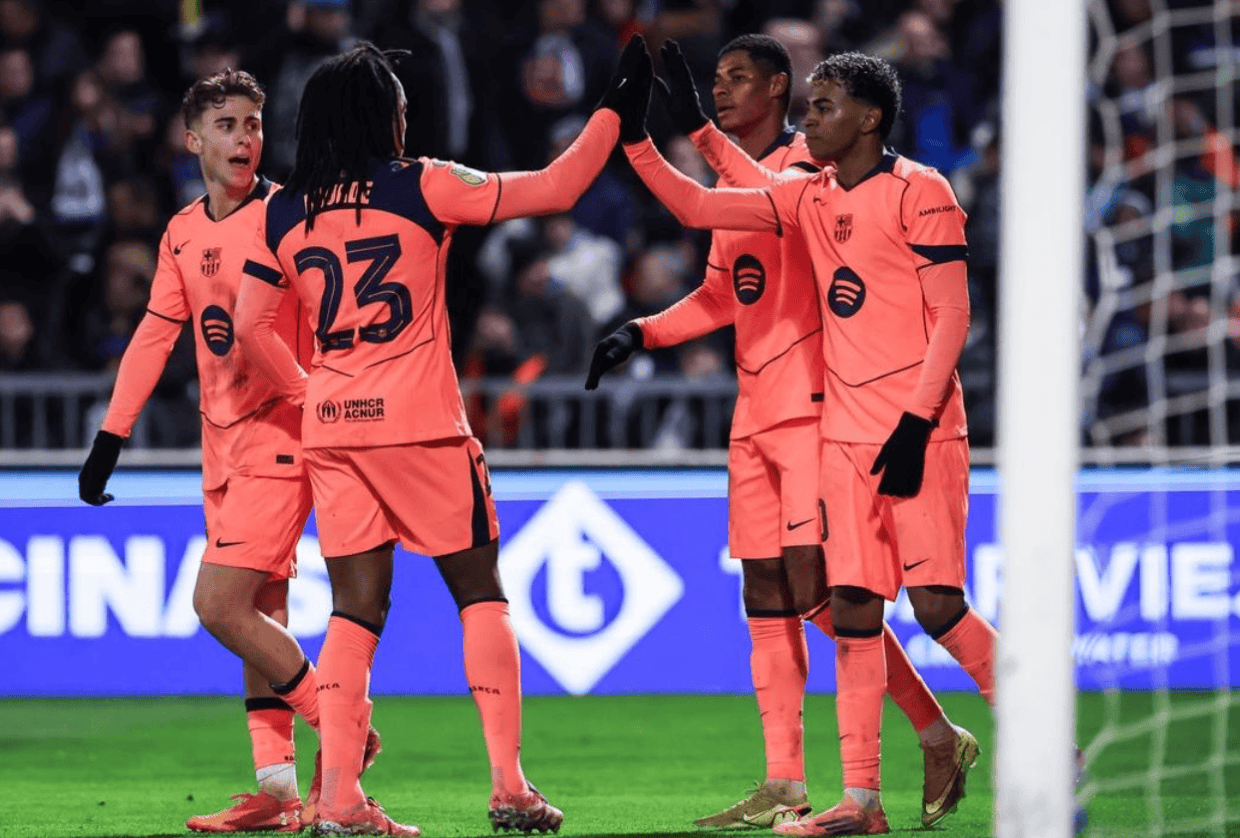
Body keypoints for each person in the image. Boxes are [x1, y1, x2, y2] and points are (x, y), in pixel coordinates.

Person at [234, 38, 650, 837]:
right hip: (421, 425)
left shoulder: (282, 211)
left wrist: (310, 390)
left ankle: (341, 800)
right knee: (480, 593)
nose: (406, 117)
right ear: (383, 116)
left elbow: (251, 325)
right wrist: (611, 110)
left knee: (355, 614)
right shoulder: (423, 183)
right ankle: (509, 788)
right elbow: (558, 186)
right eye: (399, 105)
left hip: (333, 429)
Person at [586, 35, 977, 831]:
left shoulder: (809, 170)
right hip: (754, 414)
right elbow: (722, 291)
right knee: (768, 595)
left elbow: (761, 192)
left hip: (821, 409)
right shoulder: (778, 186)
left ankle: (935, 733)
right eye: (713, 81)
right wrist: (643, 331)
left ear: (778, 87)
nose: (722, 90)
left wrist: (693, 130)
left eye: (738, 79)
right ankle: (786, 781)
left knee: (828, 594)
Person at [76, 69, 385, 834]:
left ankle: (343, 727)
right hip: (219, 442)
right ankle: (278, 794)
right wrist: (111, 437)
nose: (245, 138)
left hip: (285, 433)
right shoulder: (181, 231)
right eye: (227, 125)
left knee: (217, 604)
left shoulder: (288, 216)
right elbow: (155, 334)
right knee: (261, 611)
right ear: (194, 142)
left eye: (253, 123)